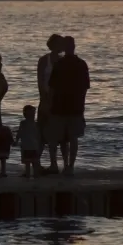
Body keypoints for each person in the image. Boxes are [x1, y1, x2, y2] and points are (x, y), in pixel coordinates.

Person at [47, 36, 90, 176]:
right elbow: (84, 89)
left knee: (55, 137)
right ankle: (69, 166)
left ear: (65, 48)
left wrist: (49, 105)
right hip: (75, 106)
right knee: (72, 138)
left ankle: (56, 164)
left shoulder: (59, 64)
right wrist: (82, 109)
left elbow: (52, 87)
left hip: (59, 105)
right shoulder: (81, 64)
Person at [37, 34, 67, 173]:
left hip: (60, 101)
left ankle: (61, 164)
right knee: (43, 133)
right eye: (59, 43)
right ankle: (37, 163)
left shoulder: (64, 61)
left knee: (61, 135)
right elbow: (40, 81)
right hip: (46, 99)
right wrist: (44, 99)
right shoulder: (44, 60)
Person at [15, 105, 41, 178]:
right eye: (33, 113)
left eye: (34, 113)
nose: (33, 115)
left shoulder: (25, 123)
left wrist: (16, 141)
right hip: (31, 146)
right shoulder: (35, 124)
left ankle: (28, 175)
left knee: (29, 162)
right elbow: (38, 136)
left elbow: (19, 133)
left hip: (28, 146)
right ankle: (33, 175)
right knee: (33, 162)